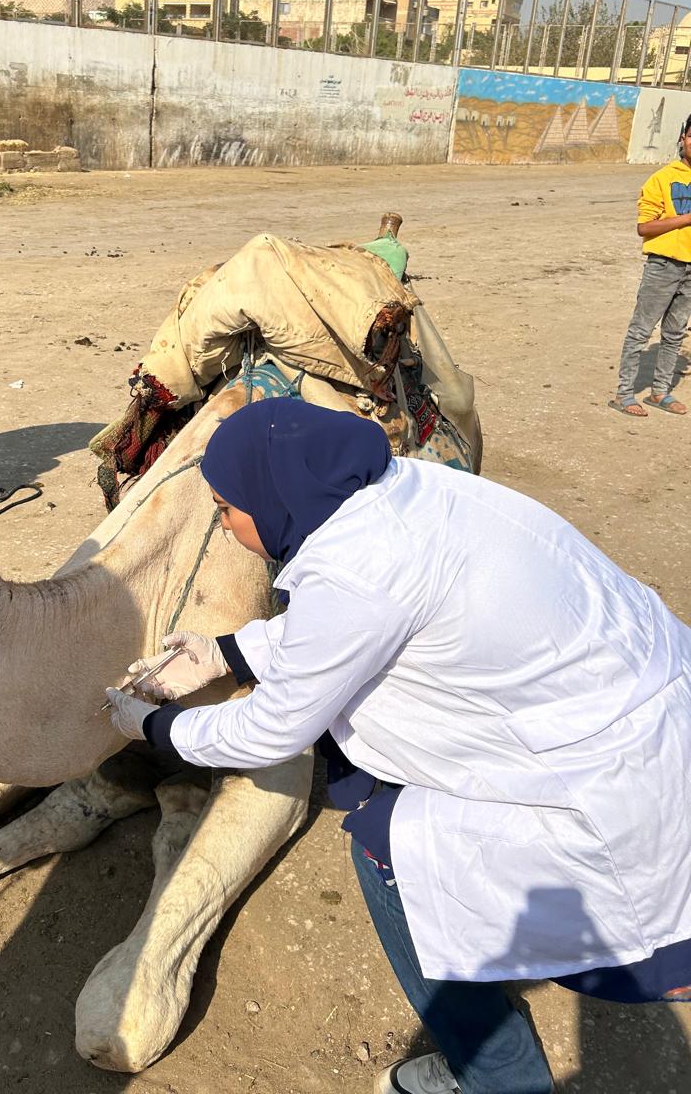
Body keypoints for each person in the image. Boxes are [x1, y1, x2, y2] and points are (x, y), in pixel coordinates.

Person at [105, 399, 691, 1094]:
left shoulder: (354, 573)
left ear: (274, 498)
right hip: (644, 706)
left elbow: (274, 726)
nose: (224, 526)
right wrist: (226, 651)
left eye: (228, 510)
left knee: (389, 853)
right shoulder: (405, 490)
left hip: (612, 790)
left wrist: (154, 729)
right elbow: (360, 619)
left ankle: (496, 1076)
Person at [610, 112, 691, 417]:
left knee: (675, 333)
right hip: (664, 265)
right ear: (683, 138)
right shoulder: (662, 178)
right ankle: (624, 394)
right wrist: (685, 219)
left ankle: (659, 393)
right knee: (641, 331)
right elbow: (644, 228)